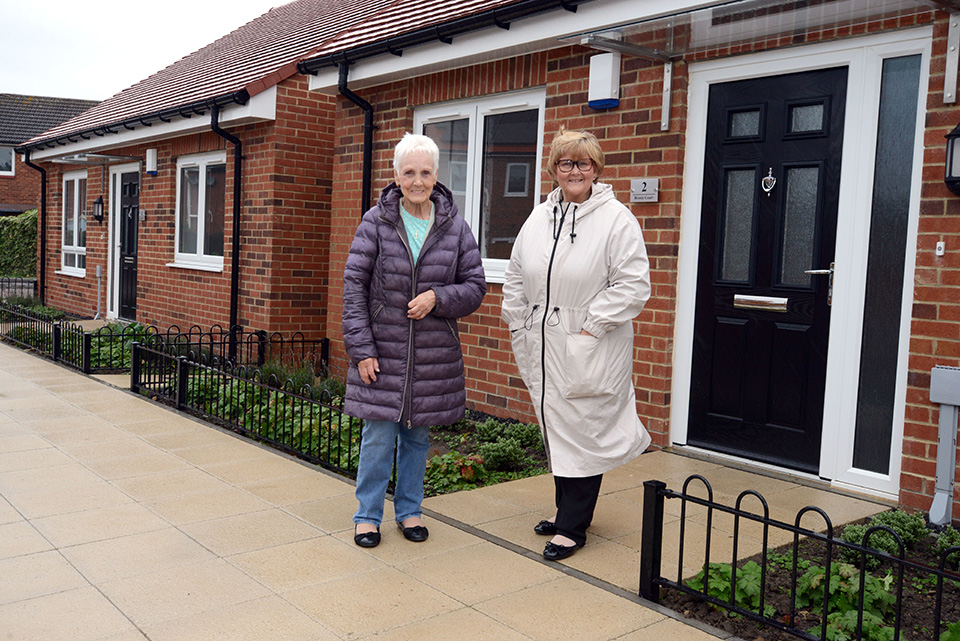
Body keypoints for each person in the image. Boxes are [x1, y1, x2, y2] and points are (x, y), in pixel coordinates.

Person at [501, 128, 652, 561]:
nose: (575, 171)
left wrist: (591, 326)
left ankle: (572, 527)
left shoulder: (616, 219)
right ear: (553, 169)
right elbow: (515, 272)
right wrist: (516, 318)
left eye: (584, 163)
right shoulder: (539, 216)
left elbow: (633, 285)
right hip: (540, 339)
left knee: (584, 428)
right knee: (556, 425)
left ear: (596, 169)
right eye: (566, 163)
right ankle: (566, 510)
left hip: (588, 340)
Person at [343, 133, 486, 548]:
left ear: (437, 175)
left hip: (431, 356)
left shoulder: (455, 227)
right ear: (396, 176)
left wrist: (438, 298)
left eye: (425, 172)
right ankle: (367, 516)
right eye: (409, 172)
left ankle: (409, 511)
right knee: (378, 436)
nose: (418, 181)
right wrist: (362, 349)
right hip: (382, 350)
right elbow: (354, 287)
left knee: (417, 438)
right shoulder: (376, 221)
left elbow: (475, 286)